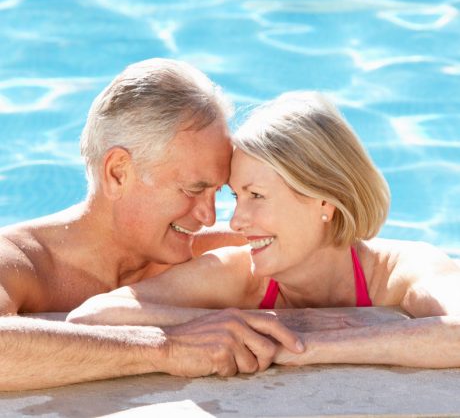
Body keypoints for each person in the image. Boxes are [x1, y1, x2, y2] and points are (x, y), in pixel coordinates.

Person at [68, 91, 460, 369]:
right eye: (236, 197)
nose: (236, 222)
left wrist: (306, 346)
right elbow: (93, 316)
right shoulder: (239, 275)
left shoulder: (401, 270)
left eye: (256, 195)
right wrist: (260, 326)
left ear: (324, 200)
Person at [0, 59, 305, 392]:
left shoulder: (218, 256)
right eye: (193, 189)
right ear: (118, 173)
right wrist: (166, 349)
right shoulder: (20, 260)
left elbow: (347, 255)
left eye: (217, 192)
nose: (209, 216)